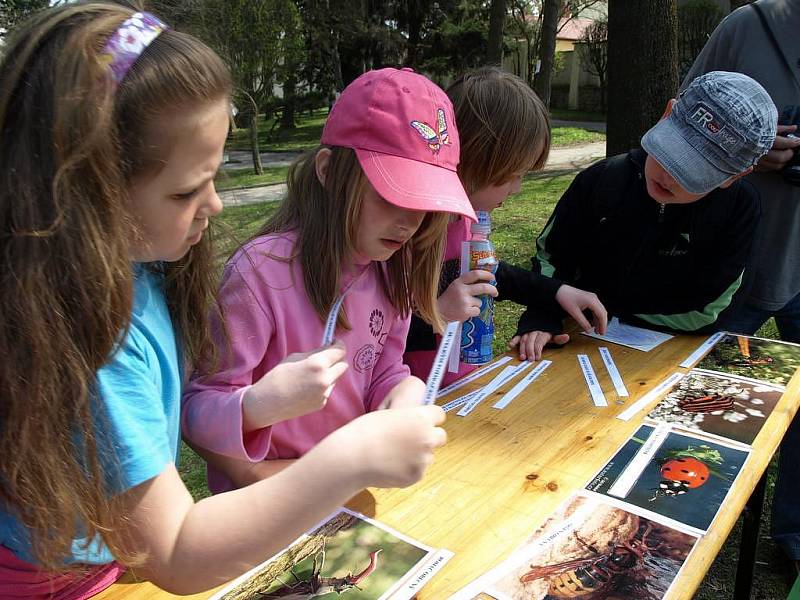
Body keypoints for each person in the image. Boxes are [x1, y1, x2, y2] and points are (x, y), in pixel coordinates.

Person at [0, 6, 447, 598]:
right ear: (85, 196)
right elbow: (180, 554)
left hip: (100, 555)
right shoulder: (95, 342)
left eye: (214, 176)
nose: (212, 205)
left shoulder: (143, 272)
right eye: (186, 189)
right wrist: (349, 458)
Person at [182, 67, 475, 492]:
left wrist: (403, 392)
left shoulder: (391, 269)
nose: (411, 222)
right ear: (329, 171)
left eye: (426, 203)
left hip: (347, 496)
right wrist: (259, 406)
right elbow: (195, 410)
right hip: (265, 507)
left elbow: (382, 370)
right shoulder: (259, 273)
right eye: (392, 194)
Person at [519, 71, 777, 338]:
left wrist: (606, 308)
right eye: (670, 152)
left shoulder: (739, 209)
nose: (669, 176)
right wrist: (545, 310)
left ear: (734, 176)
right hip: (578, 334)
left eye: (694, 173)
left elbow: (710, 310)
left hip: (669, 352)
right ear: (667, 113)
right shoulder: (603, 179)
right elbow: (552, 255)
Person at [682, 0, 800, 569]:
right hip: (732, 262)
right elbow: (681, 118)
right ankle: (680, 515)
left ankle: (793, 536)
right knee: (699, 395)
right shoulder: (749, 28)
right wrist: (748, 147)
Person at [403, 67, 608, 386]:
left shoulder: (467, 217)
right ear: (474, 159)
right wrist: (436, 315)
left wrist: (557, 291)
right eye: (511, 175)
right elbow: (372, 332)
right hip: (410, 393)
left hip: (461, 382)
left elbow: (489, 274)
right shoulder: (406, 230)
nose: (516, 189)